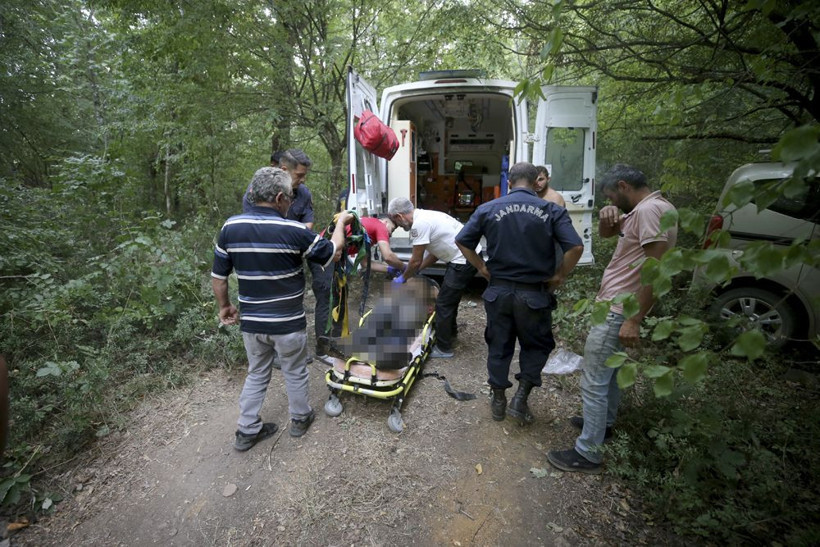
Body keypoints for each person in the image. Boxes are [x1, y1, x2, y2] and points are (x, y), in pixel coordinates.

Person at [547, 163, 677, 474]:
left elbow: (656, 268)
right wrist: (609, 219)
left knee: (593, 380)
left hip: (620, 311)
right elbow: (609, 236)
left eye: (611, 196)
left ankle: (588, 453)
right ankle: (602, 426)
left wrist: (634, 318)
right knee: (611, 375)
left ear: (623, 186)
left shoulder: (649, 211)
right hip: (620, 308)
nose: (611, 201)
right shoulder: (655, 208)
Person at [213, 167, 353, 450]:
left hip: (252, 324)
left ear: (252, 193)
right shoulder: (294, 231)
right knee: (295, 370)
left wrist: (225, 306)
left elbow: (219, 277)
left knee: (257, 373)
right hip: (288, 324)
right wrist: (341, 223)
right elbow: (334, 252)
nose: (291, 202)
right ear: (279, 198)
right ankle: (300, 418)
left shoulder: (230, 227)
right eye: (290, 197)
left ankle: (246, 431)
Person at [455, 162, 584, 424]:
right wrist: (560, 274)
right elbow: (576, 247)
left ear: (509, 182)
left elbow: (462, 240)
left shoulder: (488, 208)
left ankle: (498, 399)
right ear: (536, 182)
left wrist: (481, 267)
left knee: (499, 344)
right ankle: (521, 398)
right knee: (536, 346)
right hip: (534, 294)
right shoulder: (551, 210)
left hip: (498, 292)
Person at [242, 149, 328, 363]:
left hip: (298, 248)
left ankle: (304, 347)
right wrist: (289, 237)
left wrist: (295, 239)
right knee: (270, 298)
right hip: (267, 253)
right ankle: (272, 351)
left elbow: (308, 223)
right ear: (284, 170)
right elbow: (255, 225)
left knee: (305, 292)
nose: (303, 179)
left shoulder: (303, 193)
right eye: (299, 175)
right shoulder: (257, 191)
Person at [387, 197, 479, 358]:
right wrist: (415, 271)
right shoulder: (428, 215)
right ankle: (450, 333)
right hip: (466, 256)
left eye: (398, 223)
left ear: (399, 216)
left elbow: (415, 260)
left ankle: (444, 348)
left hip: (462, 260)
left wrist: (403, 278)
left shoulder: (419, 224)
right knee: (449, 299)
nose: (400, 226)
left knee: (443, 304)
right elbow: (434, 254)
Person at [313, 214, 406, 362]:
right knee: (325, 299)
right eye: (392, 229)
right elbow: (388, 256)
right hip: (323, 253)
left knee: (340, 296)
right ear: (385, 221)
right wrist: (404, 267)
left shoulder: (367, 234)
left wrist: (390, 269)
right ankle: (321, 351)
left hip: (333, 256)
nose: (390, 234)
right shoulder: (379, 225)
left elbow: (365, 264)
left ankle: (337, 341)